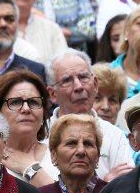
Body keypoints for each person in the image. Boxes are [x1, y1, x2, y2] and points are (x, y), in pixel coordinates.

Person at [46, 50, 135, 181]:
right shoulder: (40, 133)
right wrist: (104, 185)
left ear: (95, 84)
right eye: (67, 80)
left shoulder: (115, 136)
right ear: (53, 94)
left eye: (83, 77)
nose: (78, 86)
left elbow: (125, 186)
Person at [0, 69, 56, 187]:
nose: (26, 109)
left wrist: (31, 169)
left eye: (33, 102)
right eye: (16, 102)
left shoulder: (61, 154)